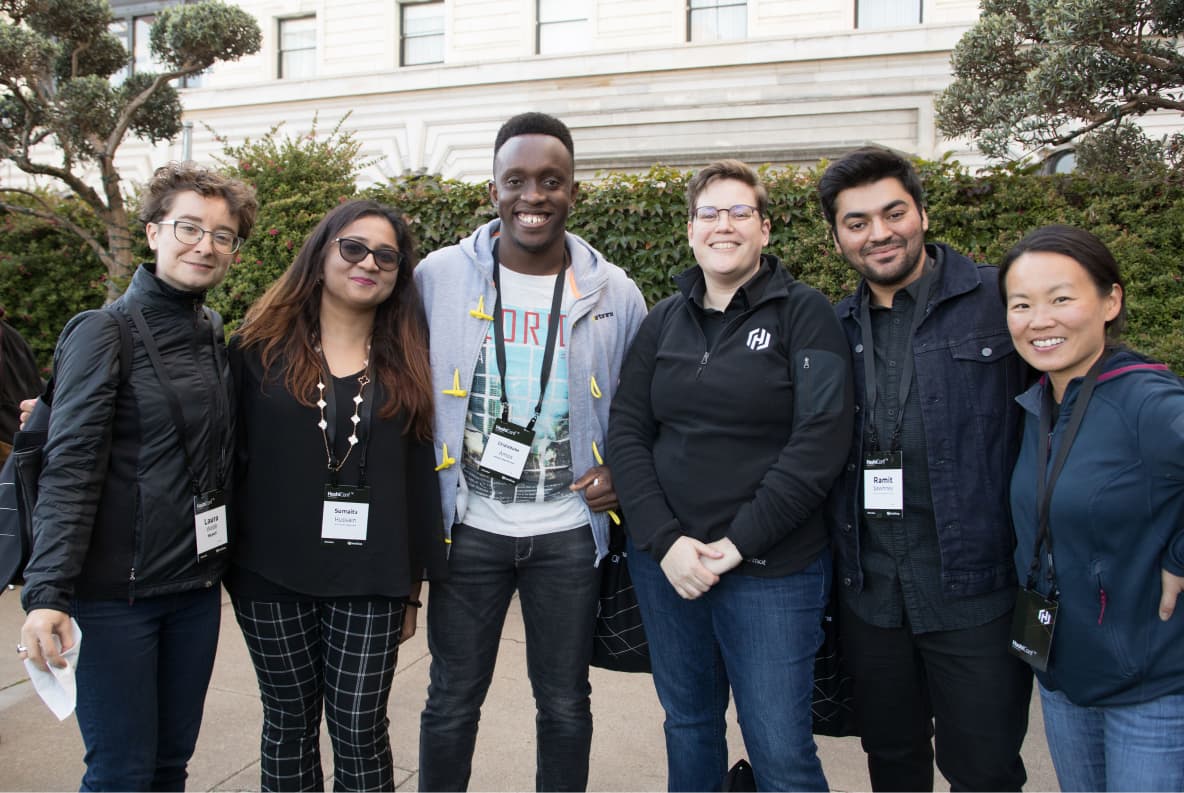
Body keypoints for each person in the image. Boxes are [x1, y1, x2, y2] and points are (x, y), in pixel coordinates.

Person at [415, 111, 647, 792]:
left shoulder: (615, 292)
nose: (533, 195)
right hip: (471, 530)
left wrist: (623, 473)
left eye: (551, 180)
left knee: (566, 702)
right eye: (516, 180)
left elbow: (642, 408)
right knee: (452, 699)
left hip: (569, 533)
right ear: (493, 190)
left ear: (573, 190)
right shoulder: (437, 278)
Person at [608, 159, 854, 791]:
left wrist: (737, 545)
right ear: (691, 231)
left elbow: (820, 442)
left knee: (780, 748)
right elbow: (628, 434)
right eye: (710, 213)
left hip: (772, 571)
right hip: (668, 568)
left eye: (741, 212)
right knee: (688, 724)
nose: (725, 225)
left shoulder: (806, 314)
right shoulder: (663, 320)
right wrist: (665, 544)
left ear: (765, 230)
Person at [17, 163, 256, 791]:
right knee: (121, 772)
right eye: (188, 227)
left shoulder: (209, 330)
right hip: (114, 599)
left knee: (169, 765)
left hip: (194, 591)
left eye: (224, 235)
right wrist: (46, 594)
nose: (205, 245)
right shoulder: (103, 332)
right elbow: (70, 469)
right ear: (152, 232)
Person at [817, 147, 1032, 792]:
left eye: (893, 213)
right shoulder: (833, 327)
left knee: (985, 771)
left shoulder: (1000, 300)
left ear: (923, 214)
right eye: (857, 222)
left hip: (976, 592)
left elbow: (1087, 395)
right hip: (872, 594)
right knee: (893, 763)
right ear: (837, 238)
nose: (879, 233)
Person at [226, 199, 446, 792]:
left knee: (358, 726)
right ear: (321, 255)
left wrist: (412, 588)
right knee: (288, 724)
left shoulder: (410, 361)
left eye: (386, 256)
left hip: (372, 578)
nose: (368, 263)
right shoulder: (256, 350)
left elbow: (419, 479)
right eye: (353, 248)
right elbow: (212, 447)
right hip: (268, 573)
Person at [999, 224, 1184, 791]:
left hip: (1149, 688)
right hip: (1066, 678)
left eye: (1062, 298)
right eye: (1021, 304)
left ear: (1110, 300)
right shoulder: (1041, 404)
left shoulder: (1147, 401)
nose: (1040, 320)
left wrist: (1179, 556)